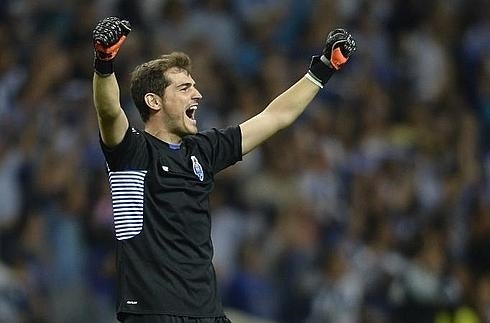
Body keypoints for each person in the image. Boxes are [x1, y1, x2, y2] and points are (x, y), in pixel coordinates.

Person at [91, 16, 356, 323]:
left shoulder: (203, 151)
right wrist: (104, 61)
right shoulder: (132, 152)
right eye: (185, 88)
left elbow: (275, 117)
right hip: (153, 312)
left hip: (208, 313)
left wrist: (323, 68)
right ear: (154, 101)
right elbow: (109, 110)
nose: (197, 95)